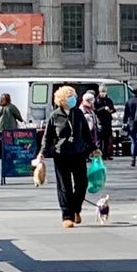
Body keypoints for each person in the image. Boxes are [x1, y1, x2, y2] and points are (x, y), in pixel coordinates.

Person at [39, 85, 94, 227]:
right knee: (65, 186)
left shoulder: (78, 113)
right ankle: (67, 215)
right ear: (62, 100)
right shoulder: (55, 115)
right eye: (70, 97)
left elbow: (86, 133)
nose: (73, 99)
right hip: (61, 154)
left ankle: (76, 209)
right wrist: (42, 153)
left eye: (73, 96)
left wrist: (93, 149)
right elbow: (48, 137)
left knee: (82, 183)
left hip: (78, 153)